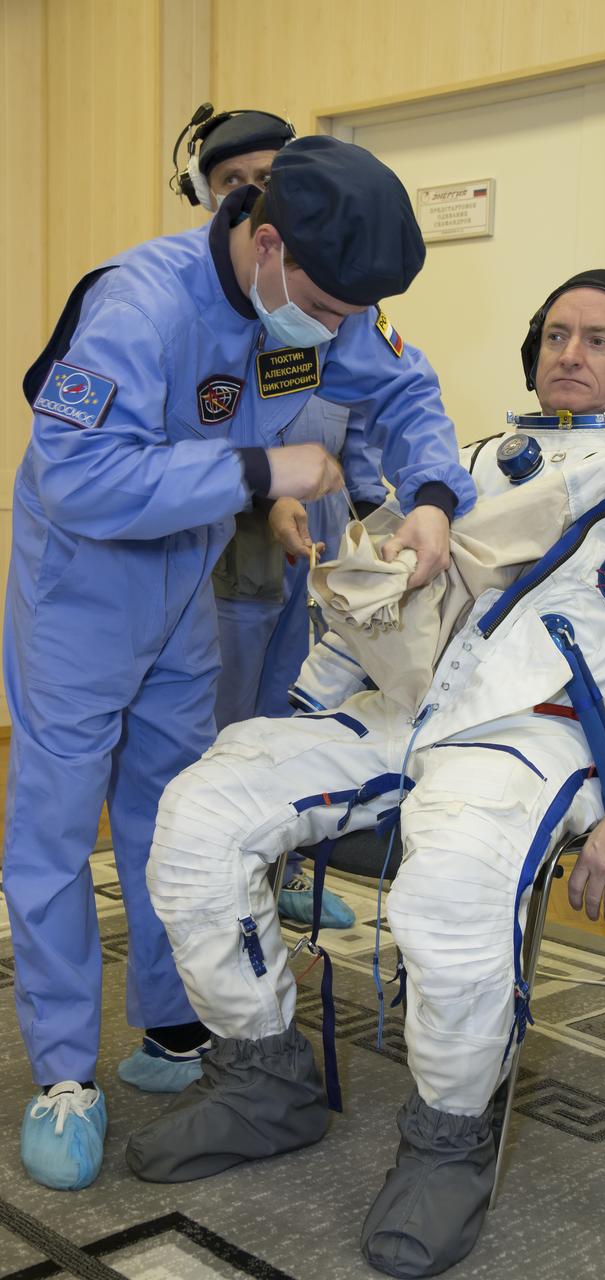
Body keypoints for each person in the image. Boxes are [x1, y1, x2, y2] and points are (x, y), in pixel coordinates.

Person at [124, 270, 605, 1276]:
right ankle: (263, 1079)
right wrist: (306, 716)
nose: (570, 352)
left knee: (451, 885)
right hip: (406, 706)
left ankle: (447, 1139)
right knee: (203, 808)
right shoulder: (474, 463)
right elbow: (391, 594)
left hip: (542, 728)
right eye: (555, 333)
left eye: (599, 339)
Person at [5, 133, 476, 1193]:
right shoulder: (141, 302)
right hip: (80, 589)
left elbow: (404, 393)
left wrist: (435, 499)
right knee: (53, 823)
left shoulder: (313, 305)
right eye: (327, 306)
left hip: (186, 590)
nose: (339, 331)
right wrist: (262, 464)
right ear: (266, 243)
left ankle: (177, 1025)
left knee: (168, 809)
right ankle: (65, 1071)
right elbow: (76, 472)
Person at [176, 104, 386, 928]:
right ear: (207, 195)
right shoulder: (204, 314)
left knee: (294, 723)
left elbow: (364, 414)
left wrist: (380, 510)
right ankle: (215, 887)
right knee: (222, 728)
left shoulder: (327, 296)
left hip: (321, 552)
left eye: (270, 179)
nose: (255, 195)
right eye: (236, 182)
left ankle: (286, 874)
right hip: (229, 550)